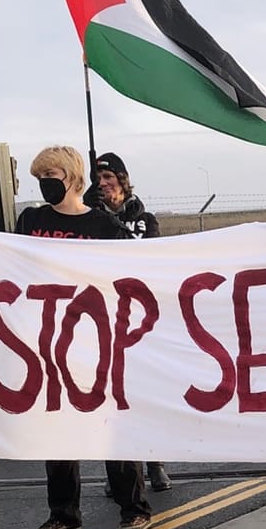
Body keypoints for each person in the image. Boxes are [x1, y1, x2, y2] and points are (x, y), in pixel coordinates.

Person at [14, 146, 153, 529]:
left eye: (52, 174)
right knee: (56, 425)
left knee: (111, 423)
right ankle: (63, 514)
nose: (45, 183)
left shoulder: (102, 226)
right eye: (39, 176)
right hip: (49, 337)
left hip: (95, 338)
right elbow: (9, 259)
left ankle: (134, 508)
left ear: (73, 177)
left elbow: (134, 271)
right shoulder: (31, 220)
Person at [89, 152, 172, 496]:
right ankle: (119, 473)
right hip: (104, 318)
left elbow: (147, 257)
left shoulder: (145, 219)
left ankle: (155, 463)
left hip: (141, 318)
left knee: (145, 394)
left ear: (122, 180)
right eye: (99, 180)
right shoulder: (90, 219)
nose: (104, 185)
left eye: (109, 178)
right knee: (113, 397)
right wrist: (93, 215)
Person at [90, 151, 161, 239]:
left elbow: (151, 250)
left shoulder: (147, 221)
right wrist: (87, 211)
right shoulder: (92, 218)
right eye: (97, 179)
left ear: (122, 179)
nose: (102, 183)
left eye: (107, 176)